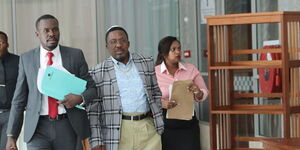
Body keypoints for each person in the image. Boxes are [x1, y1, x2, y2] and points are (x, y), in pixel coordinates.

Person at [5, 14, 96, 150]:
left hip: (68, 126)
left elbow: (92, 89)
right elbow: (19, 100)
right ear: (37, 34)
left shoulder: (75, 55)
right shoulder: (26, 59)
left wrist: (79, 98)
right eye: (46, 30)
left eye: (55, 29)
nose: (51, 34)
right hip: (37, 129)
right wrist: (11, 136)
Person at [88, 26, 164, 150]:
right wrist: (96, 141)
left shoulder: (146, 62)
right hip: (117, 131)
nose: (118, 45)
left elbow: (156, 92)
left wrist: (157, 115)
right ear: (107, 46)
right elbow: (94, 111)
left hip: (148, 129)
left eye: (122, 40)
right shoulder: (97, 72)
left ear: (128, 43)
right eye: (113, 42)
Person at [155, 36, 208, 150]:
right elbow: (148, 97)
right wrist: (161, 104)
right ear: (164, 53)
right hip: (165, 125)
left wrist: (198, 92)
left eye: (179, 48)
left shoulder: (191, 69)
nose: (178, 52)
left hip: (188, 124)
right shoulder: (154, 73)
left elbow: (204, 92)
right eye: (173, 49)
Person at [0, 31, 19, 150]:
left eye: (1, 42)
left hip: (11, 113)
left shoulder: (19, 61)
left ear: (7, 44)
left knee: (6, 147)